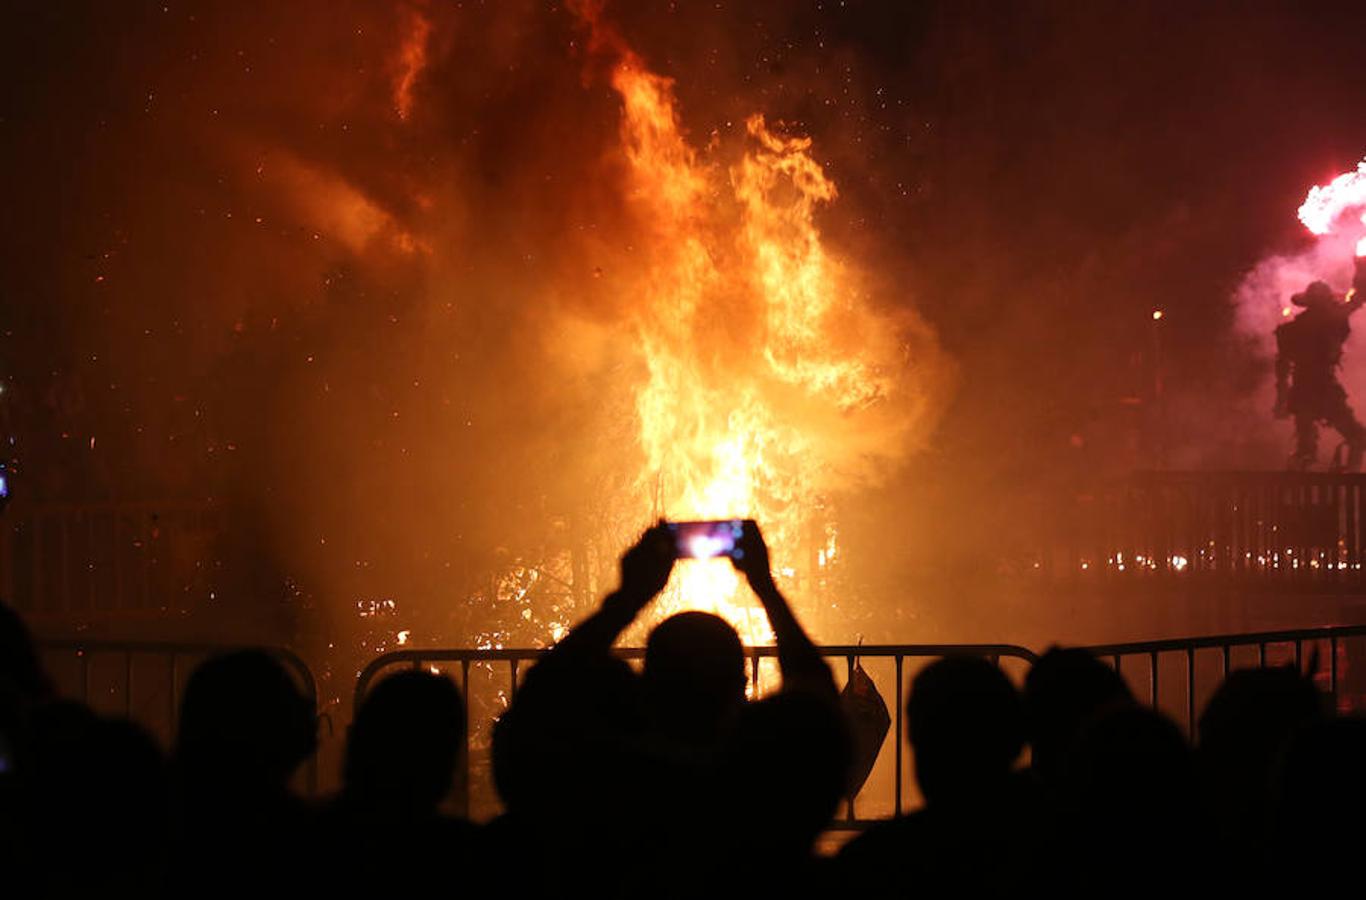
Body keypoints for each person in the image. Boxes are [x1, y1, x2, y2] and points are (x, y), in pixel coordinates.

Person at [1274, 256, 1366, 470]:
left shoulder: (1291, 329)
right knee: (1356, 437)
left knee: (1306, 450)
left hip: (1306, 388)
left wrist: (1281, 400)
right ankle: (1349, 478)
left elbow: (1282, 367)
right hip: (1321, 387)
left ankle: (1341, 477)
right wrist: (1361, 271)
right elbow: (1356, 300)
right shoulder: (1330, 319)